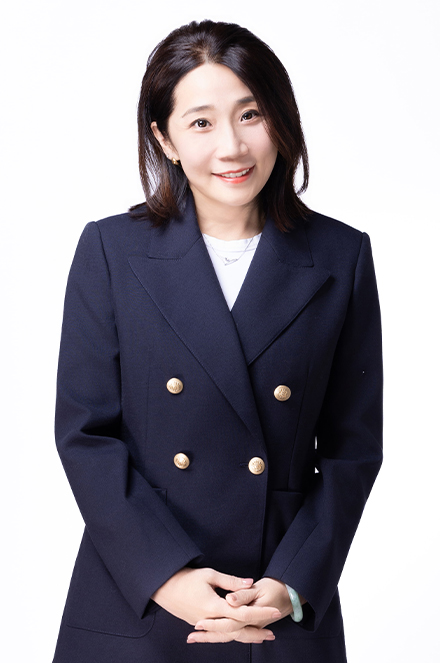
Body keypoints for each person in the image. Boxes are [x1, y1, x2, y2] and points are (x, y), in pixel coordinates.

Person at [52, 19, 383, 663]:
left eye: (250, 114)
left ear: (280, 120)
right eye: (200, 122)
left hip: (275, 602)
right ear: (165, 138)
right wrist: (166, 576)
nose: (232, 147)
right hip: (138, 598)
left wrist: (293, 584)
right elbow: (85, 435)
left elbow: (354, 449)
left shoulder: (341, 256)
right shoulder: (111, 250)